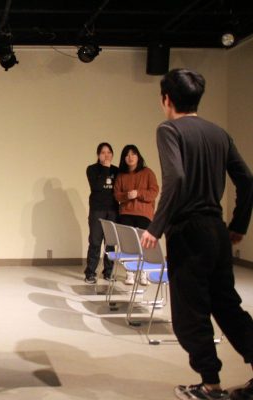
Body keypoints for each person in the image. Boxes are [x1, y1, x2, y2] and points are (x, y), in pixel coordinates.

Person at [141, 69, 253, 400]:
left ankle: (210, 385)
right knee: (228, 307)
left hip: (188, 233)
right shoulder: (219, 133)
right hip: (216, 231)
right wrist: (238, 225)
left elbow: (175, 177)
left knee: (190, 314)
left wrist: (156, 226)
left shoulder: (168, 129)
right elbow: (247, 180)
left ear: (166, 99)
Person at [114, 144, 159, 285]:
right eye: (127, 155)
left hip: (144, 214)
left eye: (133, 154)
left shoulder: (148, 172)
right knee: (128, 245)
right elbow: (117, 195)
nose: (130, 157)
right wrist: (126, 196)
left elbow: (154, 192)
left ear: (138, 156)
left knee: (143, 244)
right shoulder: (121, 175)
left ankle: (144, 273)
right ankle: (130, 273)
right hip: (126, 213)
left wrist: (138, 193)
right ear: (123, 158)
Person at [84, 142, 119, 284]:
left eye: (109, 152)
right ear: (98, 155)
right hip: (97, 210)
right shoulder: (92, 169)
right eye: (103, 152)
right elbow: (96, 187)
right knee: (95, 242)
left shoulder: (116, 170)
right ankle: (90, 273)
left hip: (112, 210)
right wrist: (105, 169)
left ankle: (108, 272)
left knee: (110, 243)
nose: (106, 155)